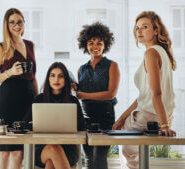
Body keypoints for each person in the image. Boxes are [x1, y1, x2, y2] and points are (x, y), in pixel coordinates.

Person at [112, 11, 176, 169]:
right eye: (137, 28)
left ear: (156, 30)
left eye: (144, 27)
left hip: (149, 117)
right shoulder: (163, 53)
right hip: (162, 114)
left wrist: (164, 126)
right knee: (135, 157)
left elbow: (157, 93)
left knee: (129, 157)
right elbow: (145, 96)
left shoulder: (151, 53)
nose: (139, 31)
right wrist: (122, 118)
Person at [0, 8, 38, 169]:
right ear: (6, 25)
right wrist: (9, 72)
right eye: (12, 22)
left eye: (19, 21)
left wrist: (37, 102)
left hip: (27, 101)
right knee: (5, 151)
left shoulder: (30, 45)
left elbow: (33, 77)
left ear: (24, 23)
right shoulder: (1, 47)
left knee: (19, 152)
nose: (16, 25)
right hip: (7, 101)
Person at [23, 62, 85, 169]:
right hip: (42, 148)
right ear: (48, 79)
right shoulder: (40, 99)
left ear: (66, 79)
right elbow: (24, 124)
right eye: (52, 75)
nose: (56, 80)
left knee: (51, 163)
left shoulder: (72, 100)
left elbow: (82, 127)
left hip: (68, 148)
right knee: (53, 148)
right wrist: (34, 125)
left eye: (60, 76)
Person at [75, 22, 120, 169]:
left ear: (105, 44)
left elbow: (110, 94)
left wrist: (83, 95)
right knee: (88, 160)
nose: (95, 46)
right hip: (86, 118)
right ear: (85, 45)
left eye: (99, 43)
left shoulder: (112, 66)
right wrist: (75, 88)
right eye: (91, 43)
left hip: (105, 118)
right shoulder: (81, 69)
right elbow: (80, 94)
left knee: (99, 159)